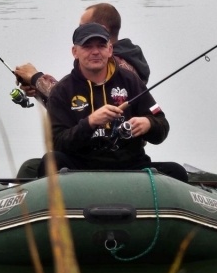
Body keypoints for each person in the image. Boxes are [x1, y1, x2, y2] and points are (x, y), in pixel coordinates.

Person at [39, 22, 187, 182]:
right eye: (87, 46)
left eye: (101, 46)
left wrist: (148, 123)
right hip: (81, 167)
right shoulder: (62, 91)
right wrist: (89, 123)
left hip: (131, 166)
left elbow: (162, 125)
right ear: (75, 52)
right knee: (50, 161)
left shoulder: (131, 81)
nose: (95, 52)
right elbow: (56, 143)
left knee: (177, 171)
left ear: (110, 49)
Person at [14, 2, 149, 107]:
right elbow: (73, 109)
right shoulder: (123, 56)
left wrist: (35, 78)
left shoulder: (118, 65)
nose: (78, 30)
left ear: (101, 30)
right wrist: (38, 92)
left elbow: (76, 100)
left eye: (82, 26)